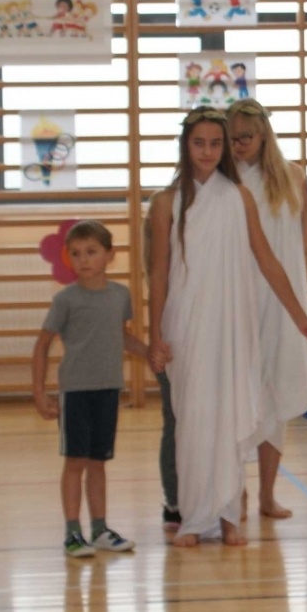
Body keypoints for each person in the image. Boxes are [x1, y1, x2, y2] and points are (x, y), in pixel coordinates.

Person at [147, 109, 307, 548]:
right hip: (185, 324)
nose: (207, 152)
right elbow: (158, 273)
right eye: (199, 144)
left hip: (233, 321)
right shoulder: (166, 201)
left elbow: (267, 260)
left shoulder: (239, 198)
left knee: (230, 412)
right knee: (192, 417)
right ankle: (194, 518)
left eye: (214, 144)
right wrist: (154, 335)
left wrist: (299, 316)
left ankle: (229, 515)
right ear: (185, 147)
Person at [32, 220, 149, 558]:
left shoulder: (120, 296)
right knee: (75, 462)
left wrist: (149, 353)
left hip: (108, 389)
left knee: (98, 462)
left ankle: (99, 529)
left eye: (91, 252)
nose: (83, 259)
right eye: (76, 253)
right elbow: (41, 346)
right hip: (76, 392)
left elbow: (120, 335)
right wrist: (40, 392)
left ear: (109, 255)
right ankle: (72, 533)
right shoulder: (65, 299)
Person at [228, 98, 307, 521]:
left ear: (264, 133)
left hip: (283, 301)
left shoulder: (293, 176)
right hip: (240, 296)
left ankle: (267, 493)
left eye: (245, 137)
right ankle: (238, 495)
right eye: (232, 139)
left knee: (277, 395)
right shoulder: (226, 180)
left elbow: (306, 236)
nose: (238, 145)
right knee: (240, 396)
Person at [142, 207, 180, 534]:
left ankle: (208, 497)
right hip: (171, 343)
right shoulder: (163, 208)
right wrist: (155, 340)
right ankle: (175, 501)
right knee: (175, 422)